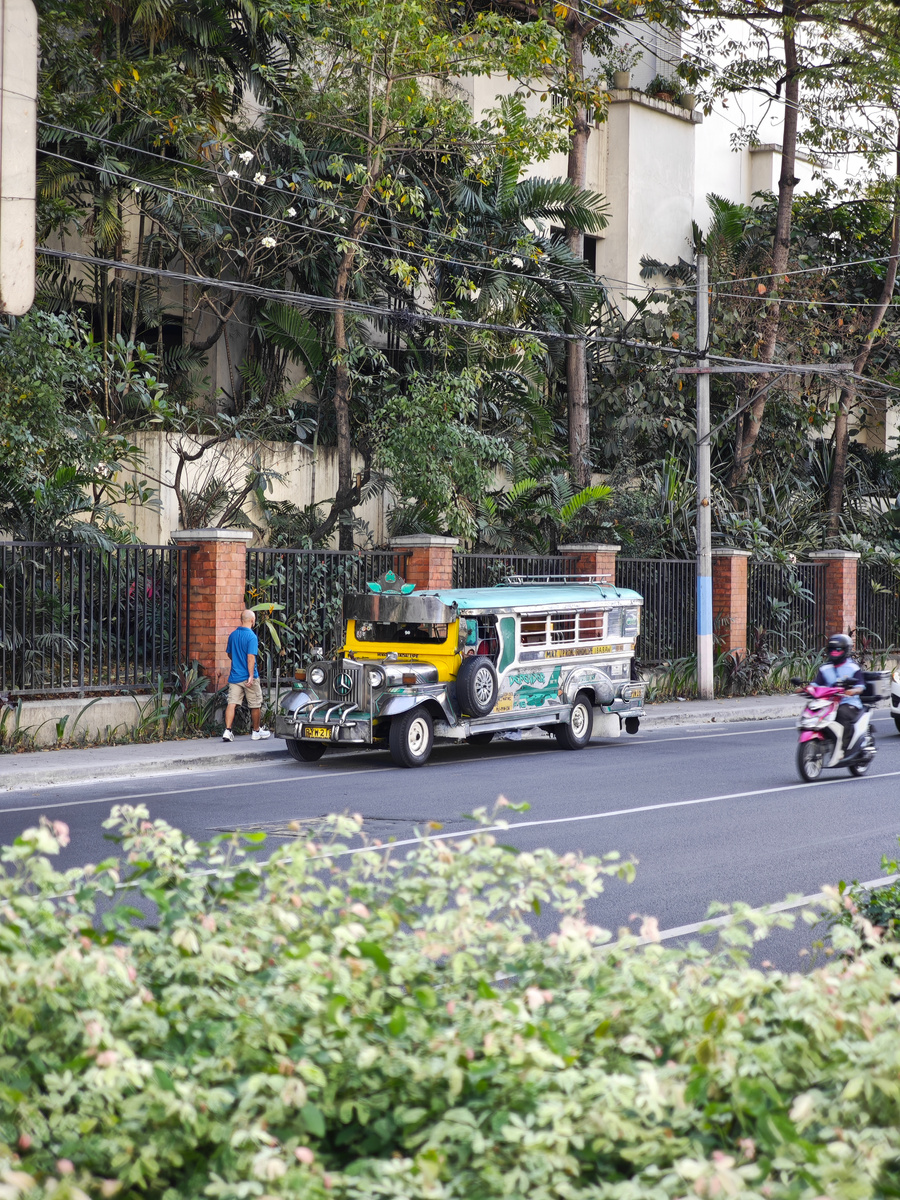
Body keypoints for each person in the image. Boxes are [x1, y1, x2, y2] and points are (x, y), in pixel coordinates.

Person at [222, 609, 271, 742]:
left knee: (232, 703)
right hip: (249, 677)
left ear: (241, 619)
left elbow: (229, 654)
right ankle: (255, 731)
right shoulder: (252, 637)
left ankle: (227, 731)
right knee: (255, 704)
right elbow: (251, 658)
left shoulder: (233, 635)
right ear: (252, 621)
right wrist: (250, 675)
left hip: (235, 676)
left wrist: (237, 663)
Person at [812, 633, 865, 752]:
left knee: (841, 713)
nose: (835, 652)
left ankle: (844, 747)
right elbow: (815, 684)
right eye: (832, 649)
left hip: (849, 703)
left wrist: (853, 691)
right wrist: (804, 689)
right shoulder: (824, 669)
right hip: (828, 703)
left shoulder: (853, 668)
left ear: (846, 650)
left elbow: (860, 686)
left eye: (839, 649)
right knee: (814, 712)